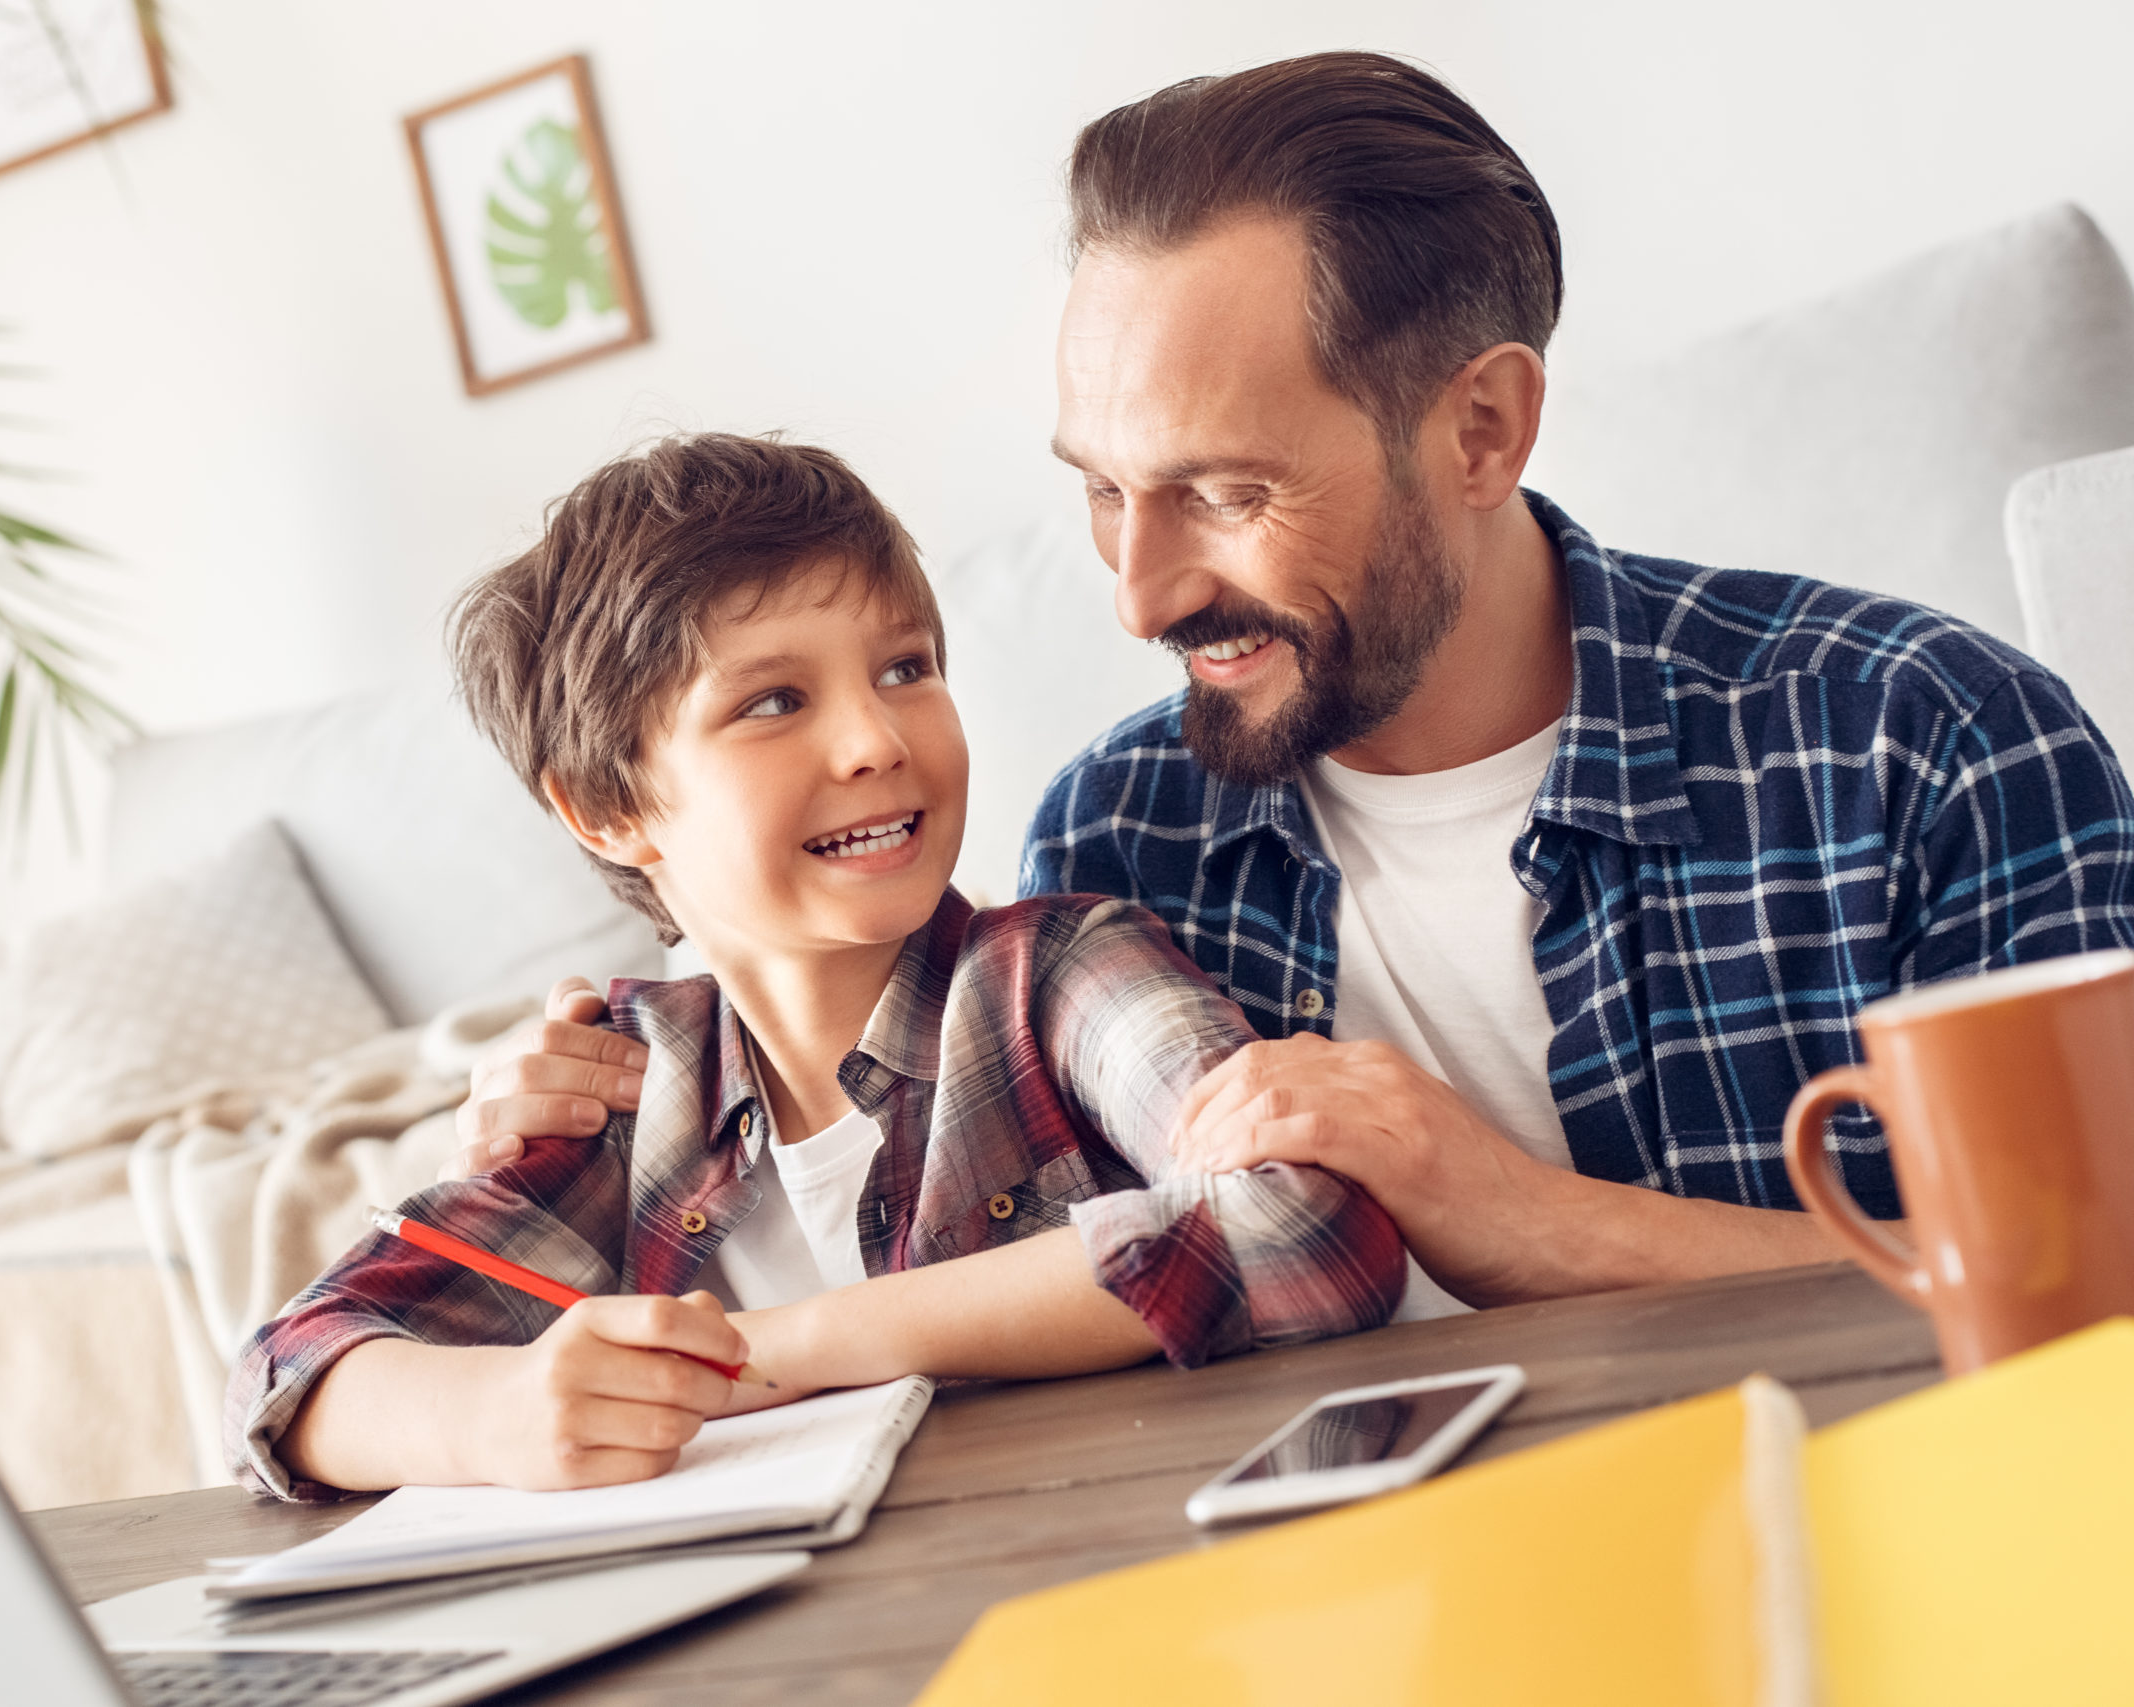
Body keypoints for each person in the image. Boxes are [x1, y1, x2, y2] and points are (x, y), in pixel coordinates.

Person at [444, 53, 2134, 1322]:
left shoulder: (1924, 743)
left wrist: (1529, 1219)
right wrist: (574, 1135)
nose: (1139, 589)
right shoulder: (1124, 831)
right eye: (1103, 488)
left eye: (1225, 493)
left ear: (1481, 429)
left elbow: (2103, 1303)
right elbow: (889, 1145)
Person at [226, 435, 1403, 1499]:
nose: (876, 740)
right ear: (606, 807)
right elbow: (279, 1382)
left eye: (904, 668)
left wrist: (783, 1348)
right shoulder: (622, 1088)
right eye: (774, 701)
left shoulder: (1061, 976)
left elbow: (1313, 1229)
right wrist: (497, 1415)